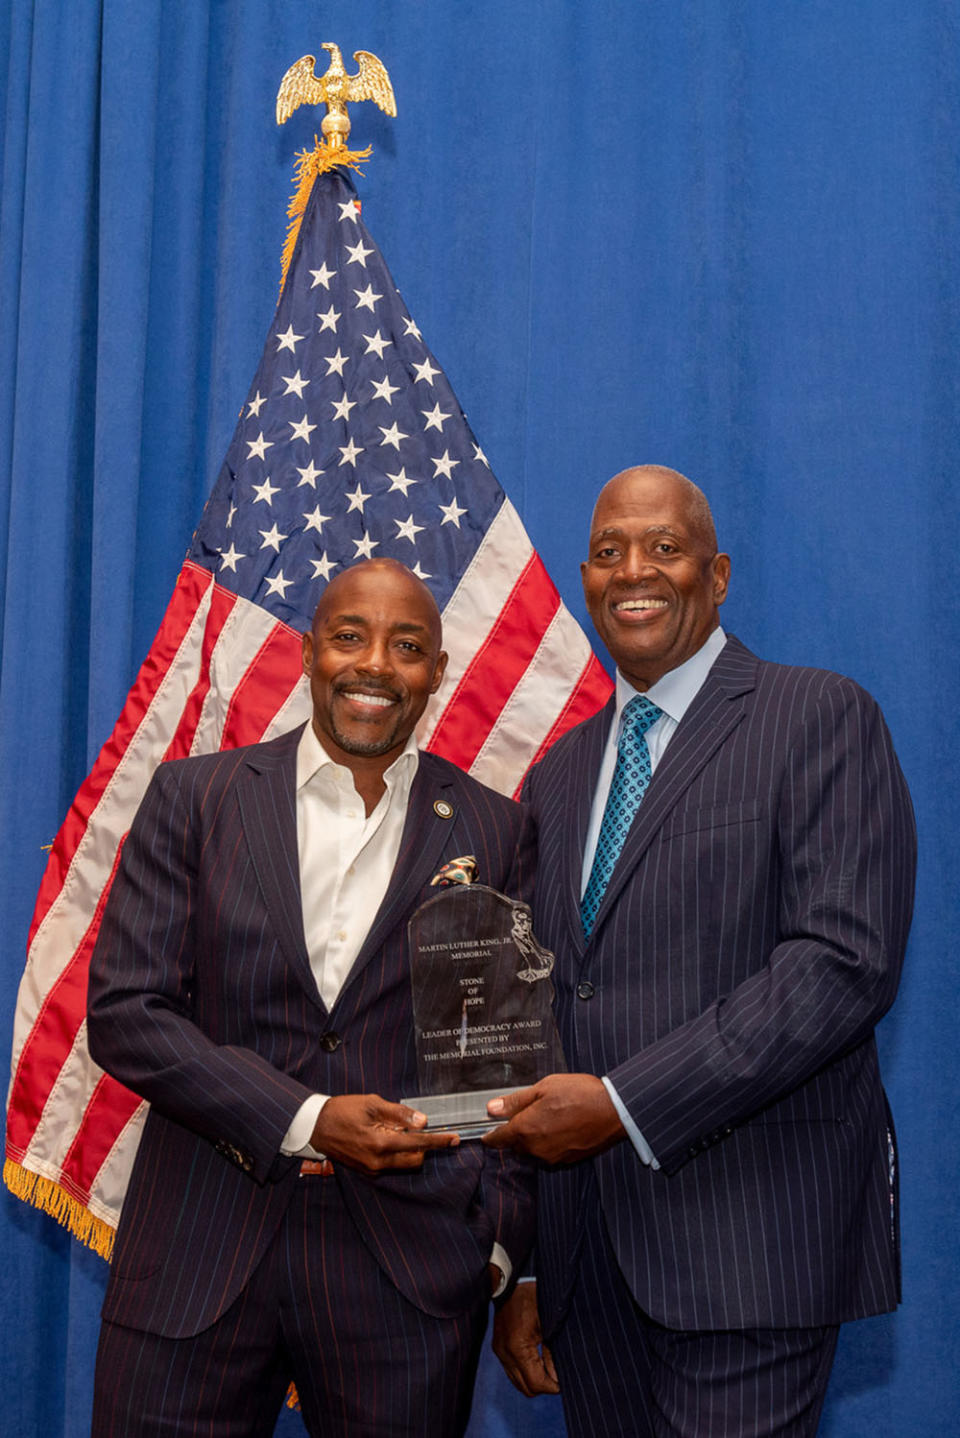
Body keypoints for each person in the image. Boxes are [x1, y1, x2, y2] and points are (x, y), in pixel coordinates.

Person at [484, 466, 915, 1438]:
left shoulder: (818, 718)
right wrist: (532, 1261)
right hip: (589, 1274)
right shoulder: (555, 779)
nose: (633, 570)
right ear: (585, 579)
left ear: (717, 575)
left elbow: (841, 963)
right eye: (607, 551)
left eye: (663, 547)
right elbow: (540, 1012)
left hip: (749, 1250)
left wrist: (622, 1104)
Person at [87, 558, 535, 1438]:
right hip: (197, 1251)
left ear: (437, 672)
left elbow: (503, 1071)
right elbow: (126, 1015)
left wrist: (493, 1249)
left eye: (407, 646)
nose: (375, 664)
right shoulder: (196, 798)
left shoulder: (493, 828)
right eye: (349, 637)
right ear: (307, 654)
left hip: (402, 1276)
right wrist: (305, 1116)